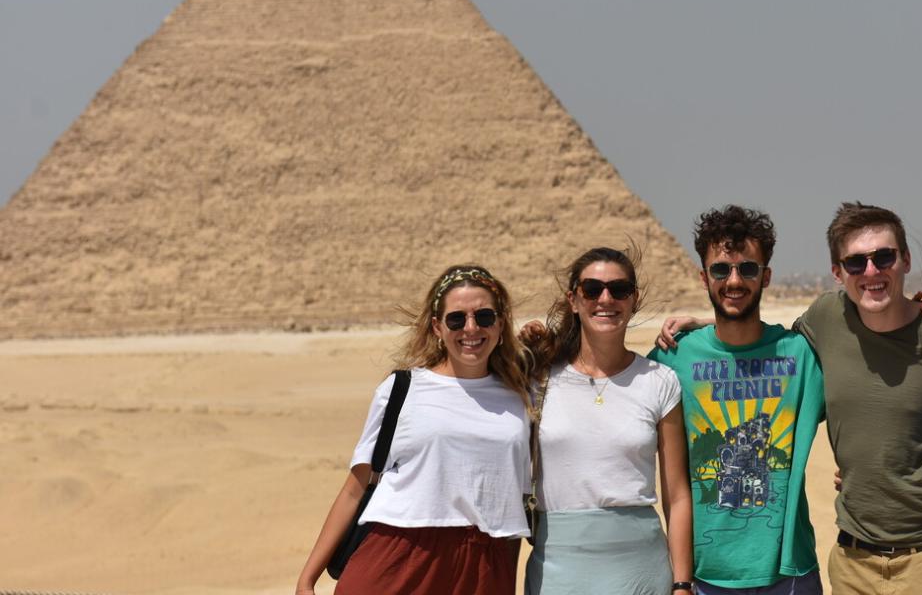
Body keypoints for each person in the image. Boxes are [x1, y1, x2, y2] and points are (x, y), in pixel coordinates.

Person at [660, 202, 922, 595]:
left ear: (904, 260)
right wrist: (707, 325)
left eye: (883, 257)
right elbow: (755, 334)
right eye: (855, 263)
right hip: (849, 564)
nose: (871, 271)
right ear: (838, 272)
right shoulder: (824, 319)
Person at [296, 264, 534, 595]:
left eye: (484, 317)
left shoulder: (520, 396)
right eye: (456, 319)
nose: (470, 328)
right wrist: (307, 579)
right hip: (399, 555)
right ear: (437, 326)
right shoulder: (402, 389)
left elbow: (515, 499)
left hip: (484, 564)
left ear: (500, 322)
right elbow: (355, 488)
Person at [647, 205, 826, 595]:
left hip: (790, 572)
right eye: (720, 270)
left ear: (766, 276)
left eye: (747, 269)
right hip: (704, 575)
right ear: (703, 277)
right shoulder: (671, 359)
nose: (734, 280)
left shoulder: (800, 355)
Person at [524, 247, 694, 595]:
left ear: (634, 299)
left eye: (619, 289)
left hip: (641, 570)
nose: (606, 298)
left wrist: (681, 584)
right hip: (556, 570)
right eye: (592, 289)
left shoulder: (659, 380)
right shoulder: (538, 381)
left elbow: (677, 495)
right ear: (573, 299)